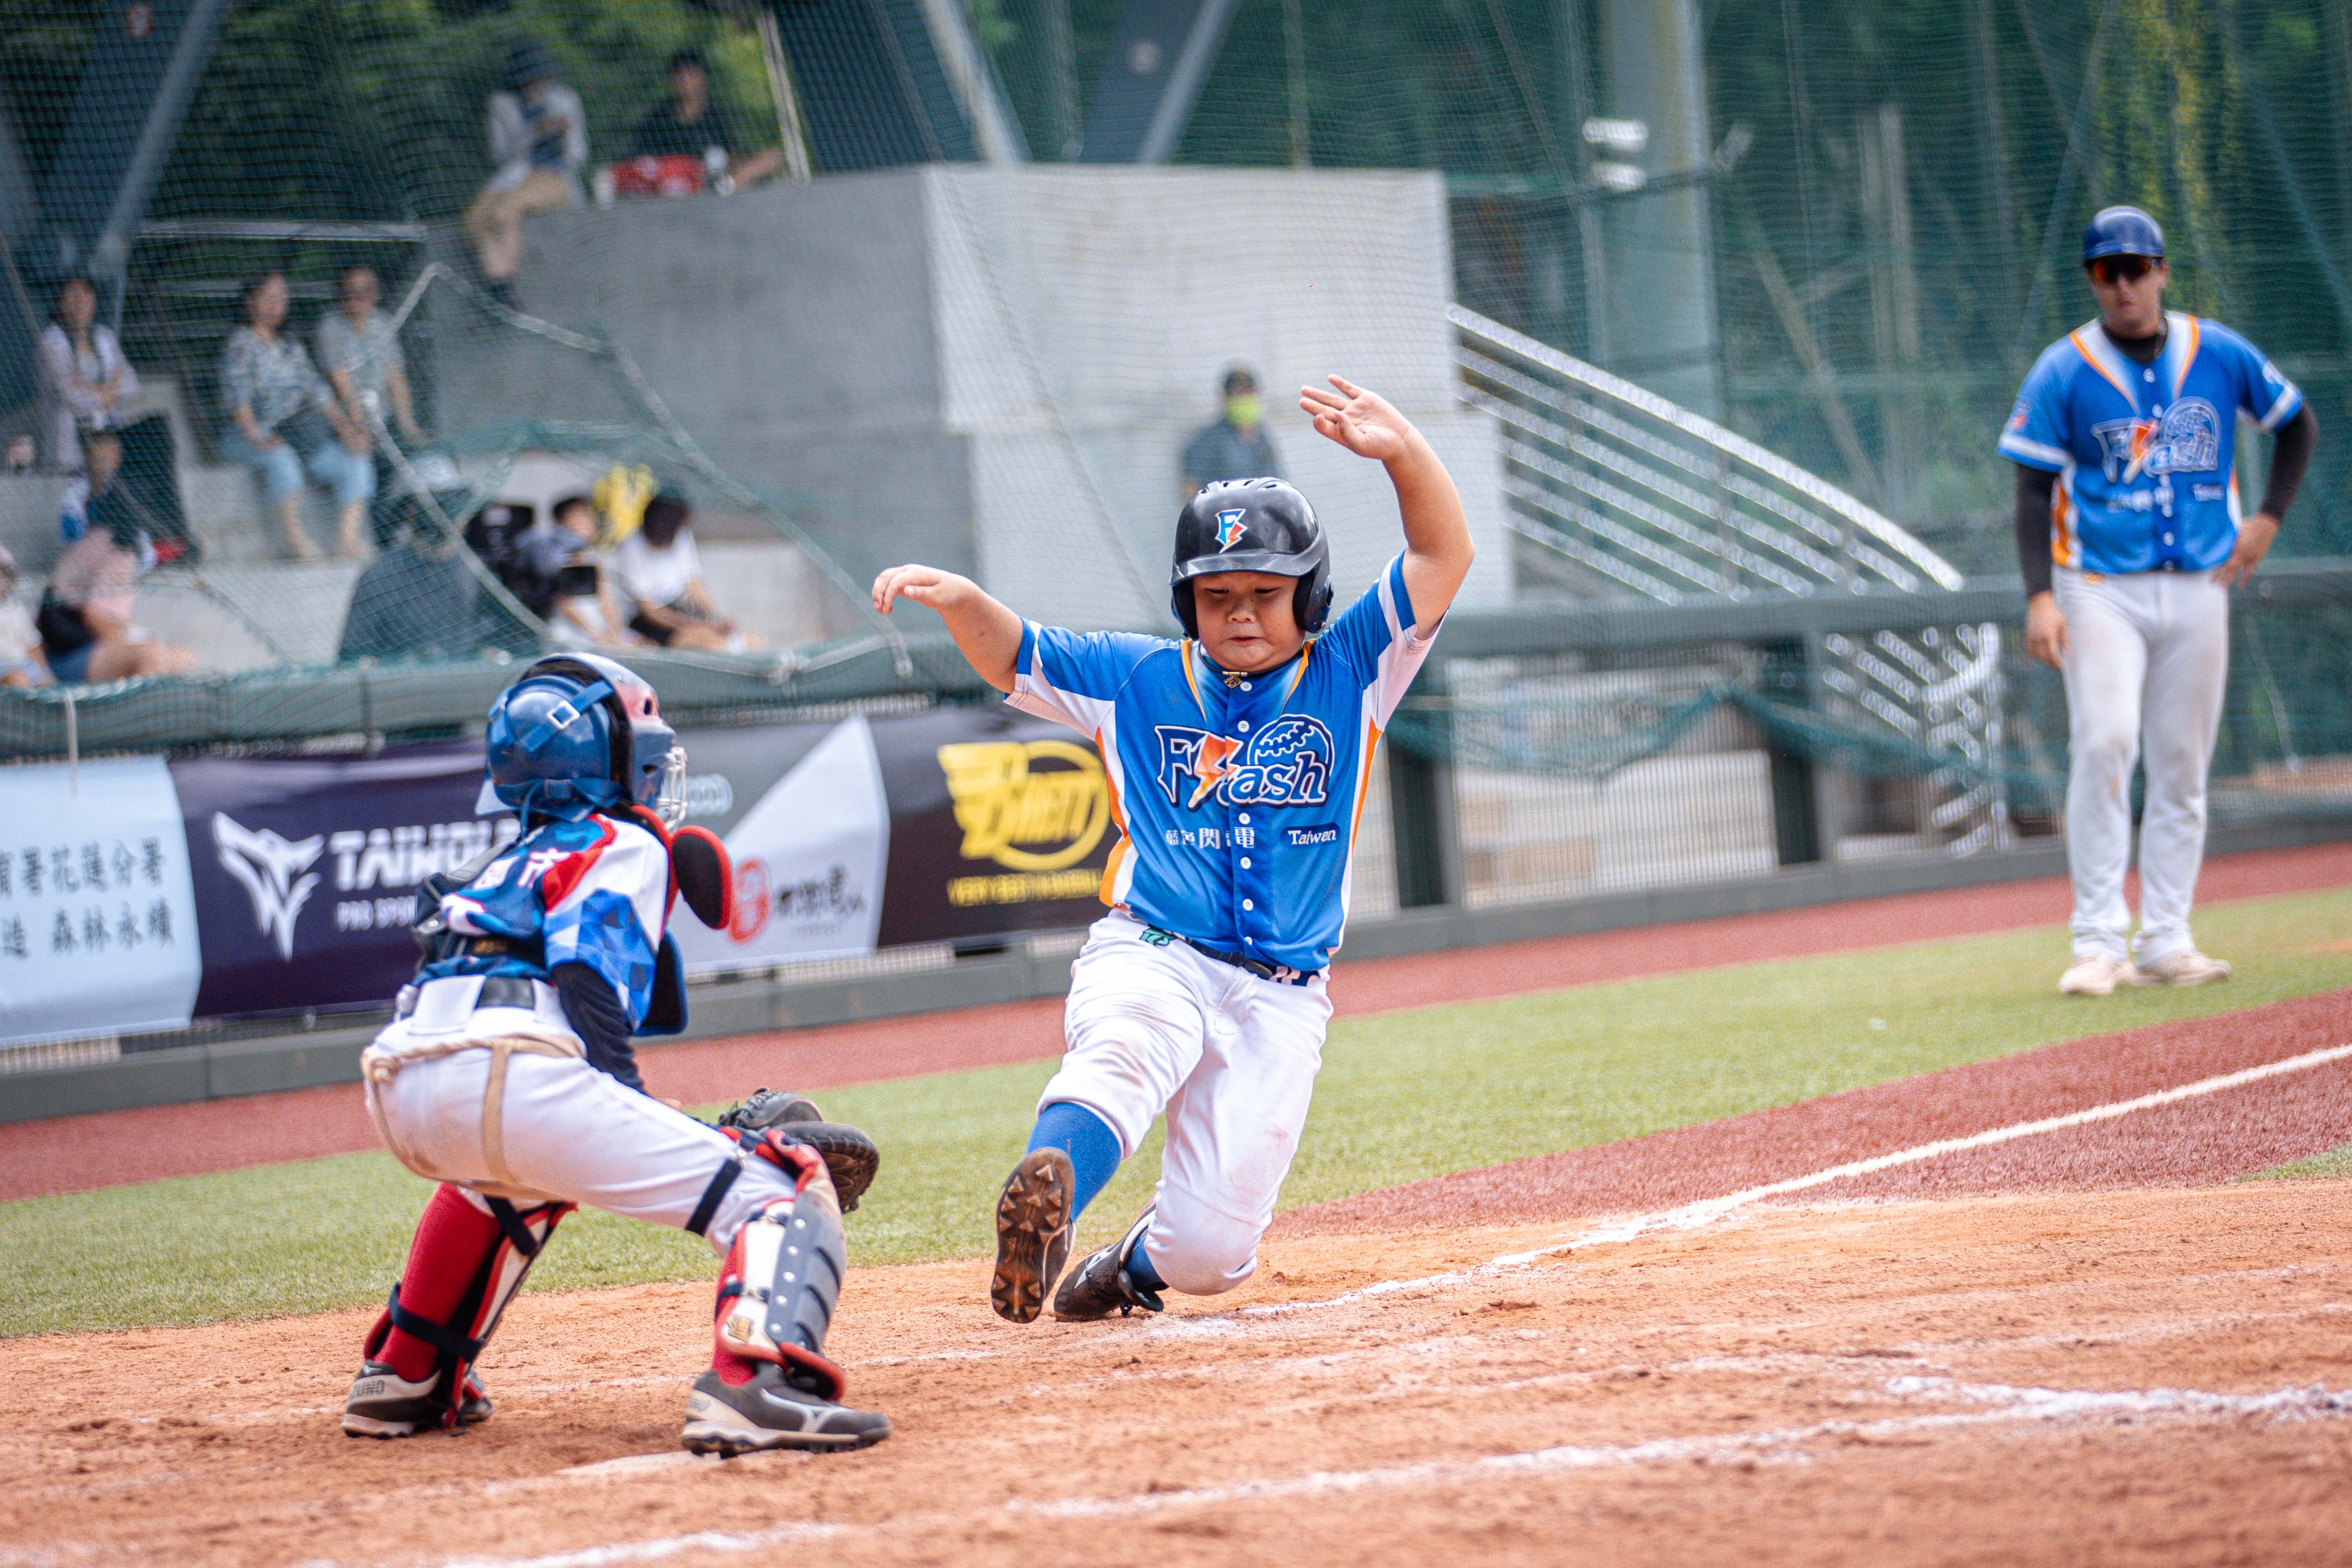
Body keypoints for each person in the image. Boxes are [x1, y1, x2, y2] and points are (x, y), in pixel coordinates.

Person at [871, 374, 1473, 1322]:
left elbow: (1443, 552)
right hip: (1154, 949)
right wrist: (960, 598)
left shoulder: (1356, 667)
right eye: (1216, 594)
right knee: (1123, 1050)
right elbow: (1012, 653)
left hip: (1282, 992)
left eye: (1265, 595)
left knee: (1211, 1257)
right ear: (1184, 600)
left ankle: (1128, 1262)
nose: (1239, 612)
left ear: (1309, 596)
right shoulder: (1135, 676)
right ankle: (1052, 1194)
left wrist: (1401, 452)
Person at [341, 652, 890, 1454]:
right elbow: (583, 963)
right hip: (509, 1064)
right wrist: (626, 1095)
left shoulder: (500, 858)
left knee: (511, 1184)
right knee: (782, 1181)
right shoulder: (622, 838)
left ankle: (405, 1374)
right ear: (604, 757)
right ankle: (753, 1386)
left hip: (400, 1081)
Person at [2000, 206, 2319, 997]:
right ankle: (2099, 940)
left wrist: (2269, 520)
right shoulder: (2065, 367)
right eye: (2108, 271)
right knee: (2106, 742)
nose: (2124, 285)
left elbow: (2296, 422)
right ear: (2092, 279)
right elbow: (2032, 490)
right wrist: (2040, 597)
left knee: (2181, 761)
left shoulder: (2216, 350)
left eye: (2137, 267)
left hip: (2201, 583)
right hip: (2099, 583)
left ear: (2163, 272)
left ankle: (2167, 938)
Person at [219, 272, 376, 560]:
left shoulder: (290, 345)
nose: (277, 303)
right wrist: (259, 439)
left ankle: (347, 541)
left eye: (282, 295)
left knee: (356, 460)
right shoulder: (240, 344)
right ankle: (296, 544)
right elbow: (238, 400)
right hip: (249, 435)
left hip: (299, 435)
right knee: (282, 460)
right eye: (269, 295)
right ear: (250, 301)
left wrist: (348, 431)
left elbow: (320, 393)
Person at [37, 481, 197, 684]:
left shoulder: (96, 538)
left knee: (183, 657)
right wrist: (130, 645)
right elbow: (94, 616)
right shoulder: (118, 550)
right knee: (153, 658)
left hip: (64, 653)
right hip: (68, 659)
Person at [468, 38, 587, 303]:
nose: (534, 83)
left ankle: (503, 285)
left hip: (553, 177)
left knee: (505, 209)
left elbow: (579, 155)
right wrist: (534, 132)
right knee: (475, 218)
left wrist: (561, 135)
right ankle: (498, 283)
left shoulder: (565, 100)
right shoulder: (501, 104)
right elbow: (500, 155)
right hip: (514, 176)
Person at [612, 489, 758, 651]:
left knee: (753, 641)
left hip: (679, 610)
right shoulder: (632, 547)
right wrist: (696, 625)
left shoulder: (681, 535)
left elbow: (694, 584)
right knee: (711, 643)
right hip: (645, 620)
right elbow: (649, 609)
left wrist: (716, 617)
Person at [629, 48, 782, 190]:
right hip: (677, 189)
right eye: (680, 76)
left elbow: (730, 156)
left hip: (716, 181)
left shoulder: (717, 116)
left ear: (704, 79)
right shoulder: (656, 122)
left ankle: (725, 188)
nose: (686, 82)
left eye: (692, 75)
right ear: (672, 81)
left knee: (771, 157)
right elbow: (644, 167)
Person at [38, 275, 139, 472]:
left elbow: (132, 385)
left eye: (86, 295)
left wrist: (92, 390)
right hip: (71, 441)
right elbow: (73, 399)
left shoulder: (105, 338)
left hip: (108, 432)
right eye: (73, 296)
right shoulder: (52, 344)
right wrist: (108, 392)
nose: (80, 302)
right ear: (60, 303)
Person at [1178, 366, 1281, 503]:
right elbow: (1190, 491)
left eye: (1248, 392)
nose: (1244, 398)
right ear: (1226, 398)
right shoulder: (1208, 441)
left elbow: (1278, 483)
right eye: (1238, 393)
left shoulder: (1263, 438)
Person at [0, 547, 50, 687]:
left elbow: (32, 644)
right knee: (18, 680)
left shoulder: (15, 609)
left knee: (46, 684)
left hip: (24, 664)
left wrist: (46, 673)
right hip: (4, 668)